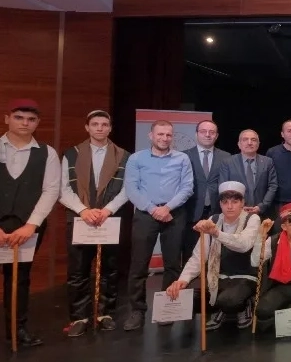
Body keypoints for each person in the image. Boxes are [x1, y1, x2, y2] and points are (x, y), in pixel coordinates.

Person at [60, 110, 131, 337]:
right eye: (95, 124)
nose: (100, 128)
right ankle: (79, 317)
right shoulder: (71, 154)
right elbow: (63, 189)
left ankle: (105, 314)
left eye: (104, 124)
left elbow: (128, 189)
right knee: (78, 271)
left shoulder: (124, 156)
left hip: (109, 218)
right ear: (87, 127)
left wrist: (108, 210)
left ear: (110, 128)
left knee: (109, 270)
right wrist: (83, 210)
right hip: (79, 218)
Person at [123, 120, 194, 331]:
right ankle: (137, 311)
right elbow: (131, 189)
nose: (164, 138)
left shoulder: (182, 158)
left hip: (174, 213)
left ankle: (166, 308)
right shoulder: (136, 159)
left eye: (168, 135)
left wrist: (168, 207)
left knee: (172, 264)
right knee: (139, 264)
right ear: (151, 135)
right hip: (146, 214)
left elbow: (187, 187)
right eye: (160, 134)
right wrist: (153, 209)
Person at [0, 99, 61, 347]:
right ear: (7, 119)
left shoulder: (47, 153)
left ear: (37, 123)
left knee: (19, 278)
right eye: (19, 117)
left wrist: (31, 225)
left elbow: (51, 190)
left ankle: (17, 329)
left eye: (31, 119)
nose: (25, 123)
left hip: (27, 226)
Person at [166, 181, 262, 330]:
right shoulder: (213, 220)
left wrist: (216, 233)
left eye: (235, 202)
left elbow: (243, 245)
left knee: (229, 300)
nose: (230, 206)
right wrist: (183, 280)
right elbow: (199, 256)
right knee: (186, 298)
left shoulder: (252, 219)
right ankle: (221, 308)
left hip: (244, 277)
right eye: (225, 202)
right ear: (220, 204)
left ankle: (244, 305)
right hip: (217, 278)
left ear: (242, 203)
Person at [183, 120, 230, 264]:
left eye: (212, 132)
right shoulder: (184, 156)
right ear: (196, 134)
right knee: (191, 254)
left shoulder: (226, 156)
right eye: (203, 131)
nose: (208, 135)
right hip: (191, 211)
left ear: (217, 136)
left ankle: (212, 279)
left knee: (215, 253)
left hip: (217, 211)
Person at [219, 130, 278, 220]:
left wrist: (262, 206)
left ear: (258, 144)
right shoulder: (228, 162)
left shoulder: (268, 162)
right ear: (239, 144)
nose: (249, 143)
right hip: (236, 215)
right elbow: (224, 188)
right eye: (245, 139)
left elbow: (273, 186)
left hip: (262, 214)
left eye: (253, 140)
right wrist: (239, 207)